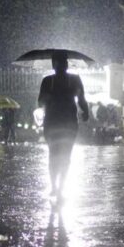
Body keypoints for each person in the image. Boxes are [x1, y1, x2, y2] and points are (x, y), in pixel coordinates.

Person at [38, 50, 89, 198]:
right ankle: (57, 187)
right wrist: (85, 112)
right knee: (63, 155)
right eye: (61, 62)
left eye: (64, 62)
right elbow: (81, 99)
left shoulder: (49, 81)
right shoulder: (71, 80)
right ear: (55, 64)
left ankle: (57, 187)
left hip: (56, 123)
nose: (63, 65)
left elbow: (40, 101)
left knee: (57, 155)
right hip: (66, 123)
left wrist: (85, 111)